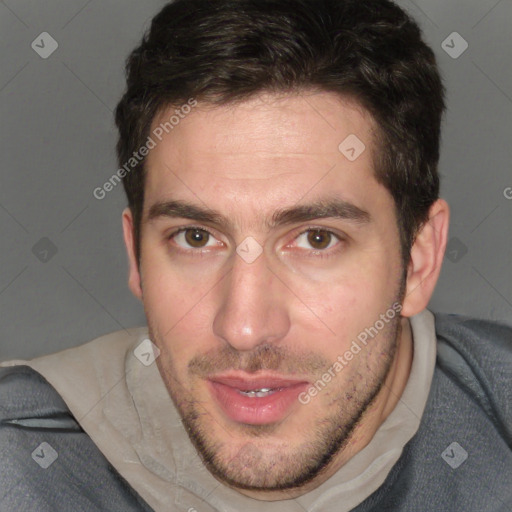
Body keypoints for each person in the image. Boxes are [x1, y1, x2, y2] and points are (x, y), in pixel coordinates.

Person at [1, 0, 511, 510]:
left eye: (316, 239)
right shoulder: (21, 464)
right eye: (196, 238)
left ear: (418, 260)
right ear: (136, 257)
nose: (245, 328)